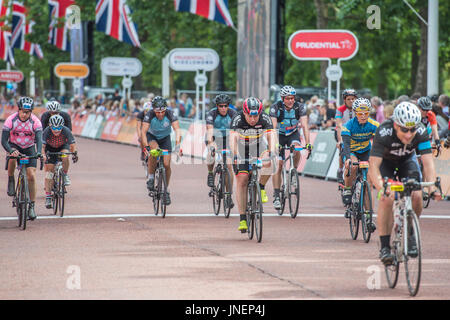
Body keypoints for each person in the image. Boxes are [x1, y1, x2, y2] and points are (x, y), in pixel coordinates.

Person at [368, 102, 441, 265]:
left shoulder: (421, 130)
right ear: (395, 125)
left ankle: (410, 233)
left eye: (412, 130)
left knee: (416, 194)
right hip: (386, 164)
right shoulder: (384, 131)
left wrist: (433, 187)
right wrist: (381, 187)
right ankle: (385, 246)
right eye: (404, 130)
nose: (409, 135)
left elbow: (429, 164)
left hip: (407, 161)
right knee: (387, 198)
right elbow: (373, 167)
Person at [230, 97, 277, 232]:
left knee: (271, 162)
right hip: (241, 149)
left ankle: (261, 186)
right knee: (242, 180)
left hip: (258, 147)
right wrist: (234, 155)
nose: (252, 119)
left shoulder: (265, 118)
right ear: (244, 112)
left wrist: (272, 151)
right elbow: (232, 138)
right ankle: (243, 218)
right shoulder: (237, 119)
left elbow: (271, 136)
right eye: (249, 115)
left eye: (255, 116)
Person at [269, 85, 312, 210]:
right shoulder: (275, 107)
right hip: (279, 135)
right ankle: (277, 195)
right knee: (279, 163)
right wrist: (275, 144)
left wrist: (308, 143)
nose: (291, 101)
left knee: (297, 148)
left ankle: (294, 170)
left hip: (293, 134)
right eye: (288, 98)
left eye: (292, 98)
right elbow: (273, 128)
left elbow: (304, 125)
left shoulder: (300, 107)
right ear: (282, 99)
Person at [1, 97, 43, 220]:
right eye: (23, 111)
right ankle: (11, 180)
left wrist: (39, 152)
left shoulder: (36, 122)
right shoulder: (10, 120)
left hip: (29, 147)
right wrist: (10, 150)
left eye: (28, 112)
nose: (25, 114)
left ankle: (32, 206)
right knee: (12, 157)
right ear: (18, 110)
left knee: (31, 176)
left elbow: (39, 139)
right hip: (14, 145)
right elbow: (3, 140)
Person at [341, 98, 379, 229]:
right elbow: (345, 145)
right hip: (351, 151)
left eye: (366, 113)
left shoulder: (374, 125)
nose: (363, 116)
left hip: (366, 151)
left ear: (369, 113)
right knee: (352, 164)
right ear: (355, 113)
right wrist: (347, 158)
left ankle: (369, 216)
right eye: (360, 113)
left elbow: (380, 144)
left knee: (369, 181)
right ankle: (347, 189)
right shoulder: (348, 126)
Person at [141, 96, 182, 205]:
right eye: (157, 112)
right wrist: (146, 147)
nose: (160, 114)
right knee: (155, 151)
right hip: (152, 137)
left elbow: (177, 130)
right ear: (153, 110)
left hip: (165, 138)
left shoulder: (170, 114)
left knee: (167, 165)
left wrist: (177, 146)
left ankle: (165, 190)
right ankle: (150, 177)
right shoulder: (149, 115)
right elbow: (143, 132)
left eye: (162, 112)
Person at [205, 94, 237, 209]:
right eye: (220, 106)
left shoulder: (233, 114)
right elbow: (209, 131)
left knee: (229, 166)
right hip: (214, 136)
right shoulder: (211, 114)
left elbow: (236, 133)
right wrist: (211, 144)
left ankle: (229, 196)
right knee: (211, 152)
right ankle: (210, 173)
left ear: (228, 106)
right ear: (217, 106)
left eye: (225, 106)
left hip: (228, 138)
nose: (223, 108)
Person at [41, 115, 78, 209]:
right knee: (49, 172)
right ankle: (48, 196)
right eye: (54, 127)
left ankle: (64, 174)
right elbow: (42, 147)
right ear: (50, 125)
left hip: (62, 147)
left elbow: (72, 145)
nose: (56, 130)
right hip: (50, 149)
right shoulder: (46, 131)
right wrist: (43, 155)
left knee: (65, 156)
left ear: (62, 126)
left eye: (59, 128)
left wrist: (74, 154)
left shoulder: (66, 130)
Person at [335, 89, 358, 184]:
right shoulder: (340, 109)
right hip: (342, 132)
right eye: (349, 99)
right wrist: (340, 141)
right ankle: (340, 169)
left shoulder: (357, 109)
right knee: (342, 149)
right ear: (344, 100)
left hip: (354, 133)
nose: (351, 101)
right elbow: (339, 125)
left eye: (353, 99)